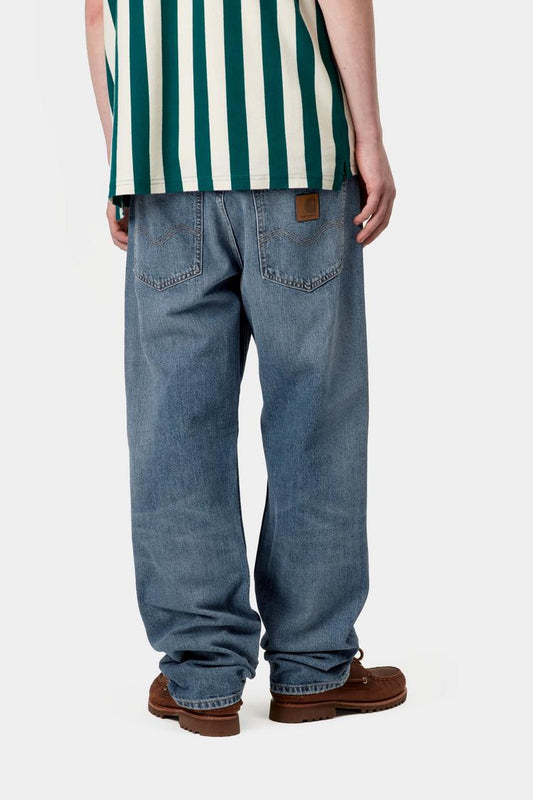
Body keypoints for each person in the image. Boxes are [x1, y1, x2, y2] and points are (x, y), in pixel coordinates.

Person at [85, 0, 406, 738]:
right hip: (296, 156)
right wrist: (369, 138)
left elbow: (99, 14)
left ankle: (201, 675)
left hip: (162, 173)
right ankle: (313, 667)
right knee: (314, 416)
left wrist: (121, 159)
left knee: (173, 426)